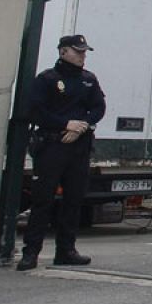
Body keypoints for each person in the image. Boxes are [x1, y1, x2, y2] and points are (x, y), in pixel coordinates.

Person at [18, 34, 106, 271]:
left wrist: (81, 126)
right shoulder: (48, 79)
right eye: (78, 52)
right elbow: (35, 111)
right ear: (63, 51)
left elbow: (98, 107)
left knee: (73, 200)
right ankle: (30, 253)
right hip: (52, 145)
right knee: (42, 201)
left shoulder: (88, 79)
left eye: (84, 52)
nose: (82, 57)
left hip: (78, 146)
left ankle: (66, 250)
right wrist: (65, 124)